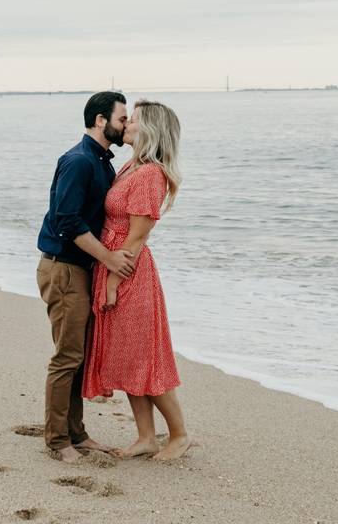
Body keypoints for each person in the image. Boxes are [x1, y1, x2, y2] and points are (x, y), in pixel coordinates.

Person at [82, 100, 191, 460]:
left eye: (135, 120)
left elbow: (136, 237)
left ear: (149, 130)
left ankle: (178, 435)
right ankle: (146, 436)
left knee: (144, 358)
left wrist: (112, 282)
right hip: (114, 265)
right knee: (129, 358)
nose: (126, 122)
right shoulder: (132, 165)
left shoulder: (149, 175)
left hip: (129, 272)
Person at [36, 91, 136, 463]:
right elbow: (66, 222)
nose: (125, 125)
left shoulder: (101, 162)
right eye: (122, 118)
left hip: (81, 270)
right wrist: (109, 258)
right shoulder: (79, 161)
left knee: (78, 356)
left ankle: (76, 433)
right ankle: (57, 440)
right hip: (63, 269)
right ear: (100, 120)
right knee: (67, 357)